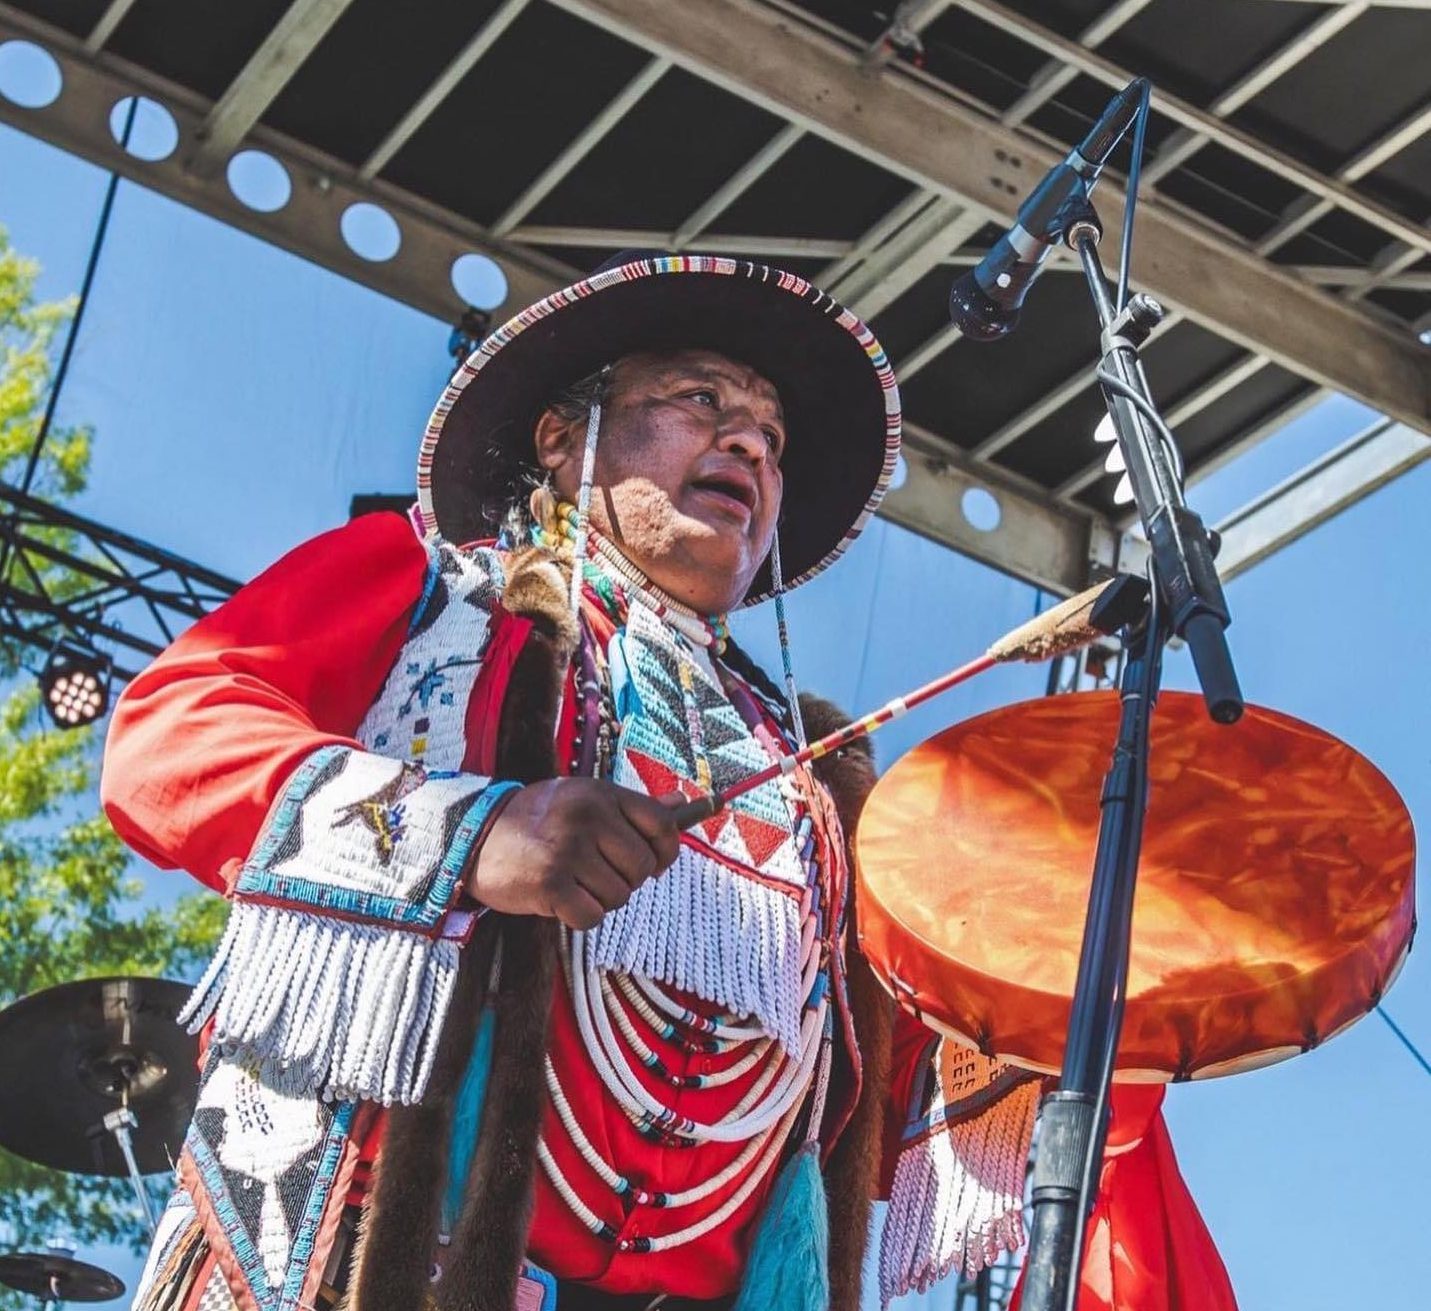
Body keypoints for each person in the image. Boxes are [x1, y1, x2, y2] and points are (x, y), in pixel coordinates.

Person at [103, 254, 1235, 1311]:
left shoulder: (824, 785)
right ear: (563, 438)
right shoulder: (438, 595)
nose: (750, 448)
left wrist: (1063, 1007)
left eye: (773, 439)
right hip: (386, 1257)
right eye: (703, 403)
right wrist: (470, 834)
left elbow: (867, 1090)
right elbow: (174, 735)